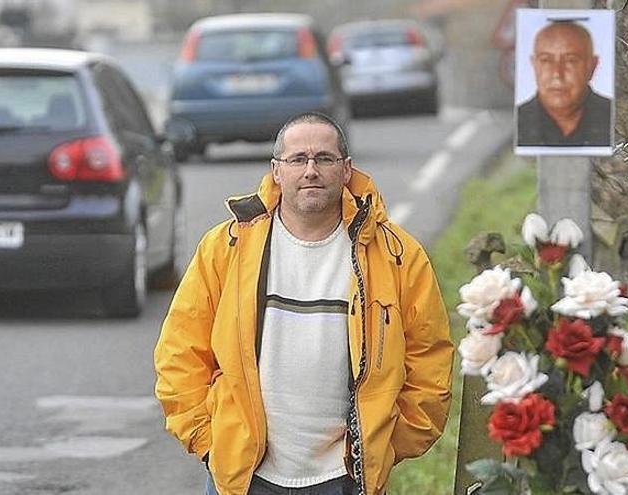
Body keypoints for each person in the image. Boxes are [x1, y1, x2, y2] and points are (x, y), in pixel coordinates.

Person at [154, 112, 454, 495]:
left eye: (324, 159)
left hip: (345, 480)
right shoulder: (226, 247)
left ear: (346, 170)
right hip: (244, 478)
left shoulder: (397, 256)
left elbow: (430, 359)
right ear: (277, 171)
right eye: (298, 159)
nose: (311, 170)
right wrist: (209, 442)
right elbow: (179, 351)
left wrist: (386, 445)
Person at [516, 20, 612, 147]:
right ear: (534, 65)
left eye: (570, 60)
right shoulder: (513, 123)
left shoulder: (618, 119)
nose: (557, 74)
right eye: (546, 60)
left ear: (592, 66)